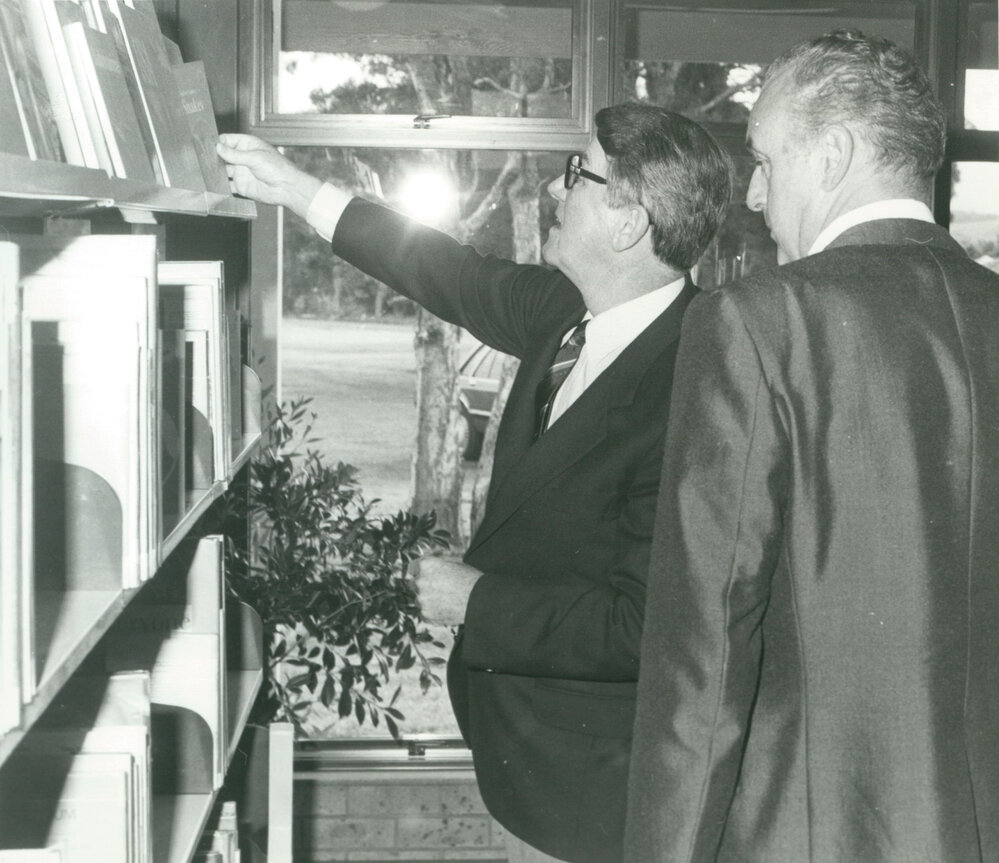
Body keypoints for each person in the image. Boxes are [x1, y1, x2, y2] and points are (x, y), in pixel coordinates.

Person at [218, 103, 732, 863]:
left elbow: (647, 628)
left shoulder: (697, 383)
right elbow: (441, 268)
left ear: (628, 220)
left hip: (603, 796)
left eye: (578, 176)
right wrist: (293, 187)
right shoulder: (566, 312)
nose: (556, 194)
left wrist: (470, 599)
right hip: (529, 763)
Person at [625, 29, 999, 863]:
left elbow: (704, 653)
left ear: (830, 155)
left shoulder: (756, 323)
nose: (754, 195)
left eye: (763, 158)